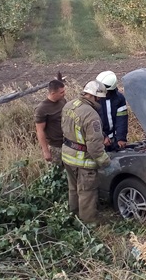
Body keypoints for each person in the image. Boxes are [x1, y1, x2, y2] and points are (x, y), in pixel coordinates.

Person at [61, 80, 111, 223]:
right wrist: (106, 162)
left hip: (67, 156)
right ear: (94, 96)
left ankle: (74, 215)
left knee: (73, 188)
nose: (100, 102)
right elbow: (95, 147)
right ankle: (89, 223)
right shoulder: (91, 116)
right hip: (82, 161)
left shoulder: (69, 105)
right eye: (99, 98)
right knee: (87, 193)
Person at [34, 78, 67, 165]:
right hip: (55, 147)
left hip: (67, 143)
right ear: (53, 93)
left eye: (64, 91)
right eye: (61, 92)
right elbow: (40, 130)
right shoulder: (42, 109)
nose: (64, 94)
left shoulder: (63, 101)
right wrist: (46, 151)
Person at [95, 70, 128, 151]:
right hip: (97, 139)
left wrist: (121, 138)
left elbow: (122, 119)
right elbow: (92, 122)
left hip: (112, 140)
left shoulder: (119, 99)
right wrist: (102, 137)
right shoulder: (94, 99)